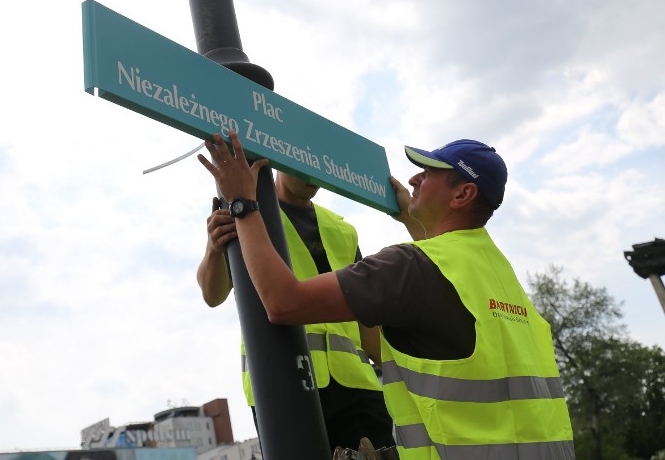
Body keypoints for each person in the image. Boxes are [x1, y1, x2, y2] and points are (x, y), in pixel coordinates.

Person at [198, 130, 575, 459]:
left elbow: (288, 302)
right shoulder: (497, 271)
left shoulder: (372, 247)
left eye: (428, 174)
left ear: (463, 194)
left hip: (358, 389)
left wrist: (243, 203)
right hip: (285, 385)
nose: (413, 179)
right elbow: (437, 290)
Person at [197, 171, 395, 454]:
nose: (311, 176)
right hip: (281, 382)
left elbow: (366, 322)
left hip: (358, 385)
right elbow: (212, 295)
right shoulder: (249, 216)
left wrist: (403, 372)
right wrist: (214, 249)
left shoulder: (343, 230)